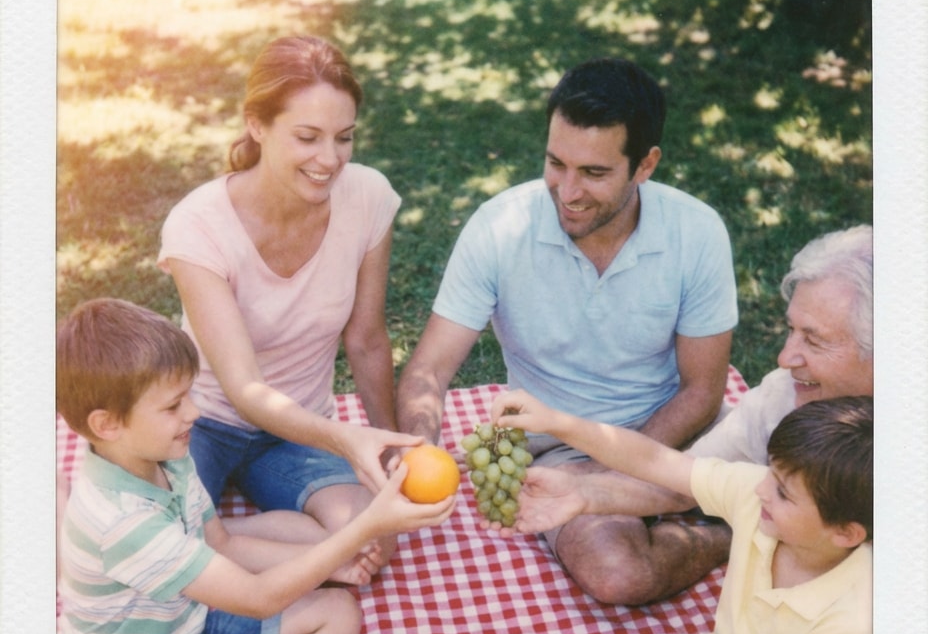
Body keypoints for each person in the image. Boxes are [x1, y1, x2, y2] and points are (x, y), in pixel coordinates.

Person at [56, 299, 454, 634]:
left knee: (337, 611)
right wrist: (365, 525)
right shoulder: (119, 521)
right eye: (174, 405)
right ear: (107, 425)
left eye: (189, 395)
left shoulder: (164, 455)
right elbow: (256, 596)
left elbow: (223, 543)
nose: (195, 413)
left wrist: (335, 561)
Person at [396, 56, 738, 599]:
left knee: (823, 489)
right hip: (561, 448)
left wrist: (618, 471)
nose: (568, 191)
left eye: (595, 173)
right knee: (618, 574)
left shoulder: (697, 232)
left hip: (674, 429)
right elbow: (429, 369)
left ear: (645, 165)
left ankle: (714, 518)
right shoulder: (500, 228)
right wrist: (418, 452)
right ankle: (727, 536)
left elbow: (703, 391)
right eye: (556, 163)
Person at [490, 388, 872, 634]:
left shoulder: (856, 614)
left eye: (783, 492)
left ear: (845, 533)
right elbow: (654, 460)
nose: (762, 489)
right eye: (769, 473)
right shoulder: (755, 497)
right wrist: (558, 423)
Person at [158, 34, 421, 578]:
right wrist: (349, 441)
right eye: (307, 137)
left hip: (298, 428)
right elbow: (244, 390)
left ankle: (210, 532)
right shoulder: (198, 225)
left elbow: (367, 339)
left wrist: (391, 453)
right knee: (156, 561)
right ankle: (203, 531)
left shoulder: (368, 197)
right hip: (201, 423)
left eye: (344, 138)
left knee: (373, 540)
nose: (330, 160)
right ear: (258, 125)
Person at [511, 225, 874, 604]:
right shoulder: (785, 392)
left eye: (814, 340)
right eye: (791, 330)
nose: (785, 358)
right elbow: (682, 480)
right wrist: (582, 491)